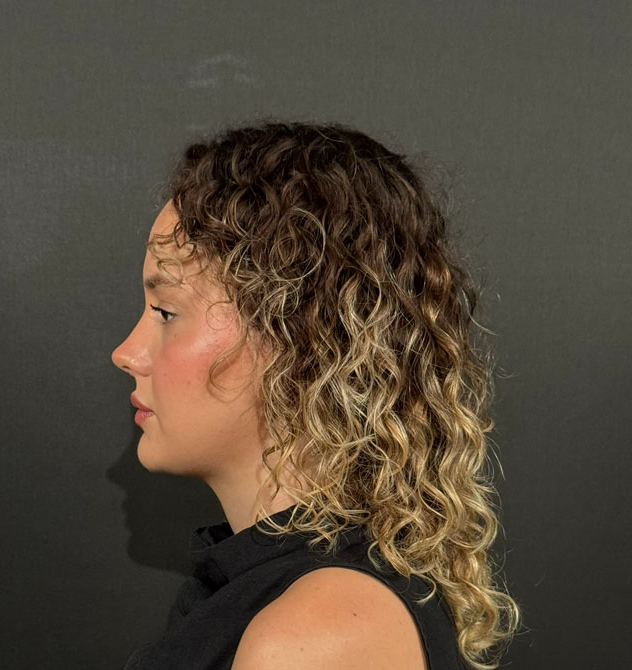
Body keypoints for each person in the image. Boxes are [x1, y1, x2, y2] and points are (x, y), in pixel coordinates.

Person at [111, 120, 521, 670]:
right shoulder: (281, 595)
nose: (127, 353)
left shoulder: (316, 636)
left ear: (299, 340)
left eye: (165, 312)